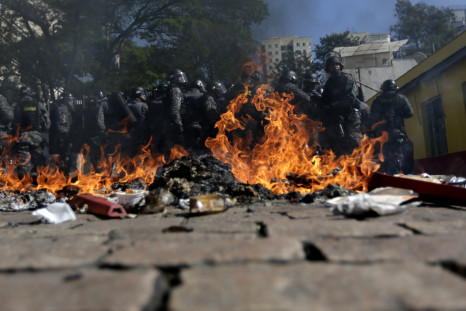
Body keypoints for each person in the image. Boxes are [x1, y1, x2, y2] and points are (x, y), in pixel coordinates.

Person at [320, 55, 362, 156]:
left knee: (353, 140)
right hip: (336, 116)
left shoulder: (347, 78)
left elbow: (350, 97)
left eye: (337, 64)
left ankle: (361, 165)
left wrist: (334, 106)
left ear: (340, 66)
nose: (335, 67)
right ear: (328, 68)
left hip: (350, 114)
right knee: (337, 141)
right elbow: (325, 99)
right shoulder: (329, 82)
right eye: (332, 65)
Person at [370, 79, 414, 174]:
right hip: (397, 133)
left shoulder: (378, 100)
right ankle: (398, 175)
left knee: (383, 157)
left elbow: (372, 117)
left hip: (381, 135)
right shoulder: (401, 98)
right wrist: (399, 114)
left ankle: (386, 177)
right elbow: (410, 113)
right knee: (399, 156)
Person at [11, 86, 50, 177]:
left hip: (22, 137)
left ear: (20, 94)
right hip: (37, 136)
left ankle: (24, 184)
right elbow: (47, 122)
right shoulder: (38, 104)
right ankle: (38, 182)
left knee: (23, 163)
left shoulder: (16, 105)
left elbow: (11, 119)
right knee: (39, 162)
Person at [162, 69, 188, 156]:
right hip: (175, 124)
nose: (181, 78)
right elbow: (175, 110)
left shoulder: (170, 89)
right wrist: (179, 126)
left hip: (169, 123)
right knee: (178, 150)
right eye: (179, 76)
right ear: (173, 78)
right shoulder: (175, 90)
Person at [49, 92, 75, 173]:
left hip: (61, 137)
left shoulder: (65, 108)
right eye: (70, 100)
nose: (72, 102)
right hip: (62, 138)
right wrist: (66, 138)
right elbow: (62, 125)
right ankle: (63, 176)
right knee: (64, 158)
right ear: (66, 100)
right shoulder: (62, 109)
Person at [83, 91, 107, 171]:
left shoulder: (85, 110)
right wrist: (103, 132)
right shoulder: (98, 107)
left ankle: (98, 172)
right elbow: (99, 122)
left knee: (95, 156)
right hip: (97, 136)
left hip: (90, 136)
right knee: (100, 156)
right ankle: (100, 173)